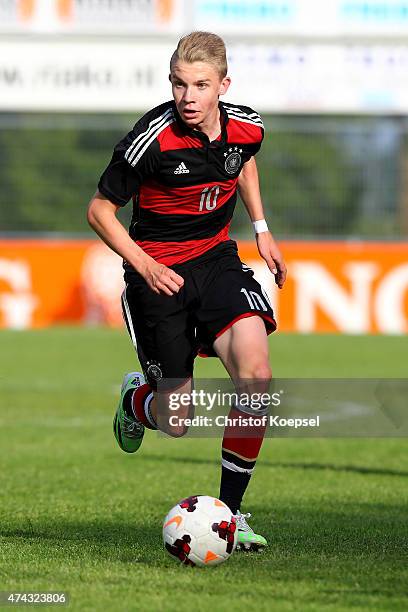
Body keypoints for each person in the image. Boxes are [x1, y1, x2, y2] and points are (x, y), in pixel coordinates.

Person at [87, 31, 286, 551]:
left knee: (257, 376)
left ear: (224, 84)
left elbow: (243, 161)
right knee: (177, 421)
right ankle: (137, 402)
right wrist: (145, 265)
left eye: (200, 85)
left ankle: (233, 515)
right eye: (179, 84)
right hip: (158, 274)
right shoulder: (150, 139)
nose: (188, 97)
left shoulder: (247, 126)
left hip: (218, 261)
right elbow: (99, 212)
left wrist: (261, 228)